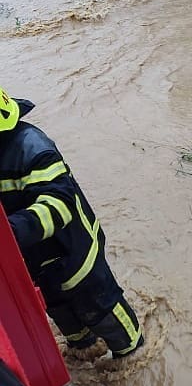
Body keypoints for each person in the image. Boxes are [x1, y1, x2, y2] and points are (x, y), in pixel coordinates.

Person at [0, 87, 144, 362]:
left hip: (75, 254)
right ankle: (85, 349)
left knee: (103, 310)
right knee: (61, 311)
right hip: (36, 263)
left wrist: (10, 231)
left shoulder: (32, 147)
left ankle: (131, 356)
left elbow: (59, 204)